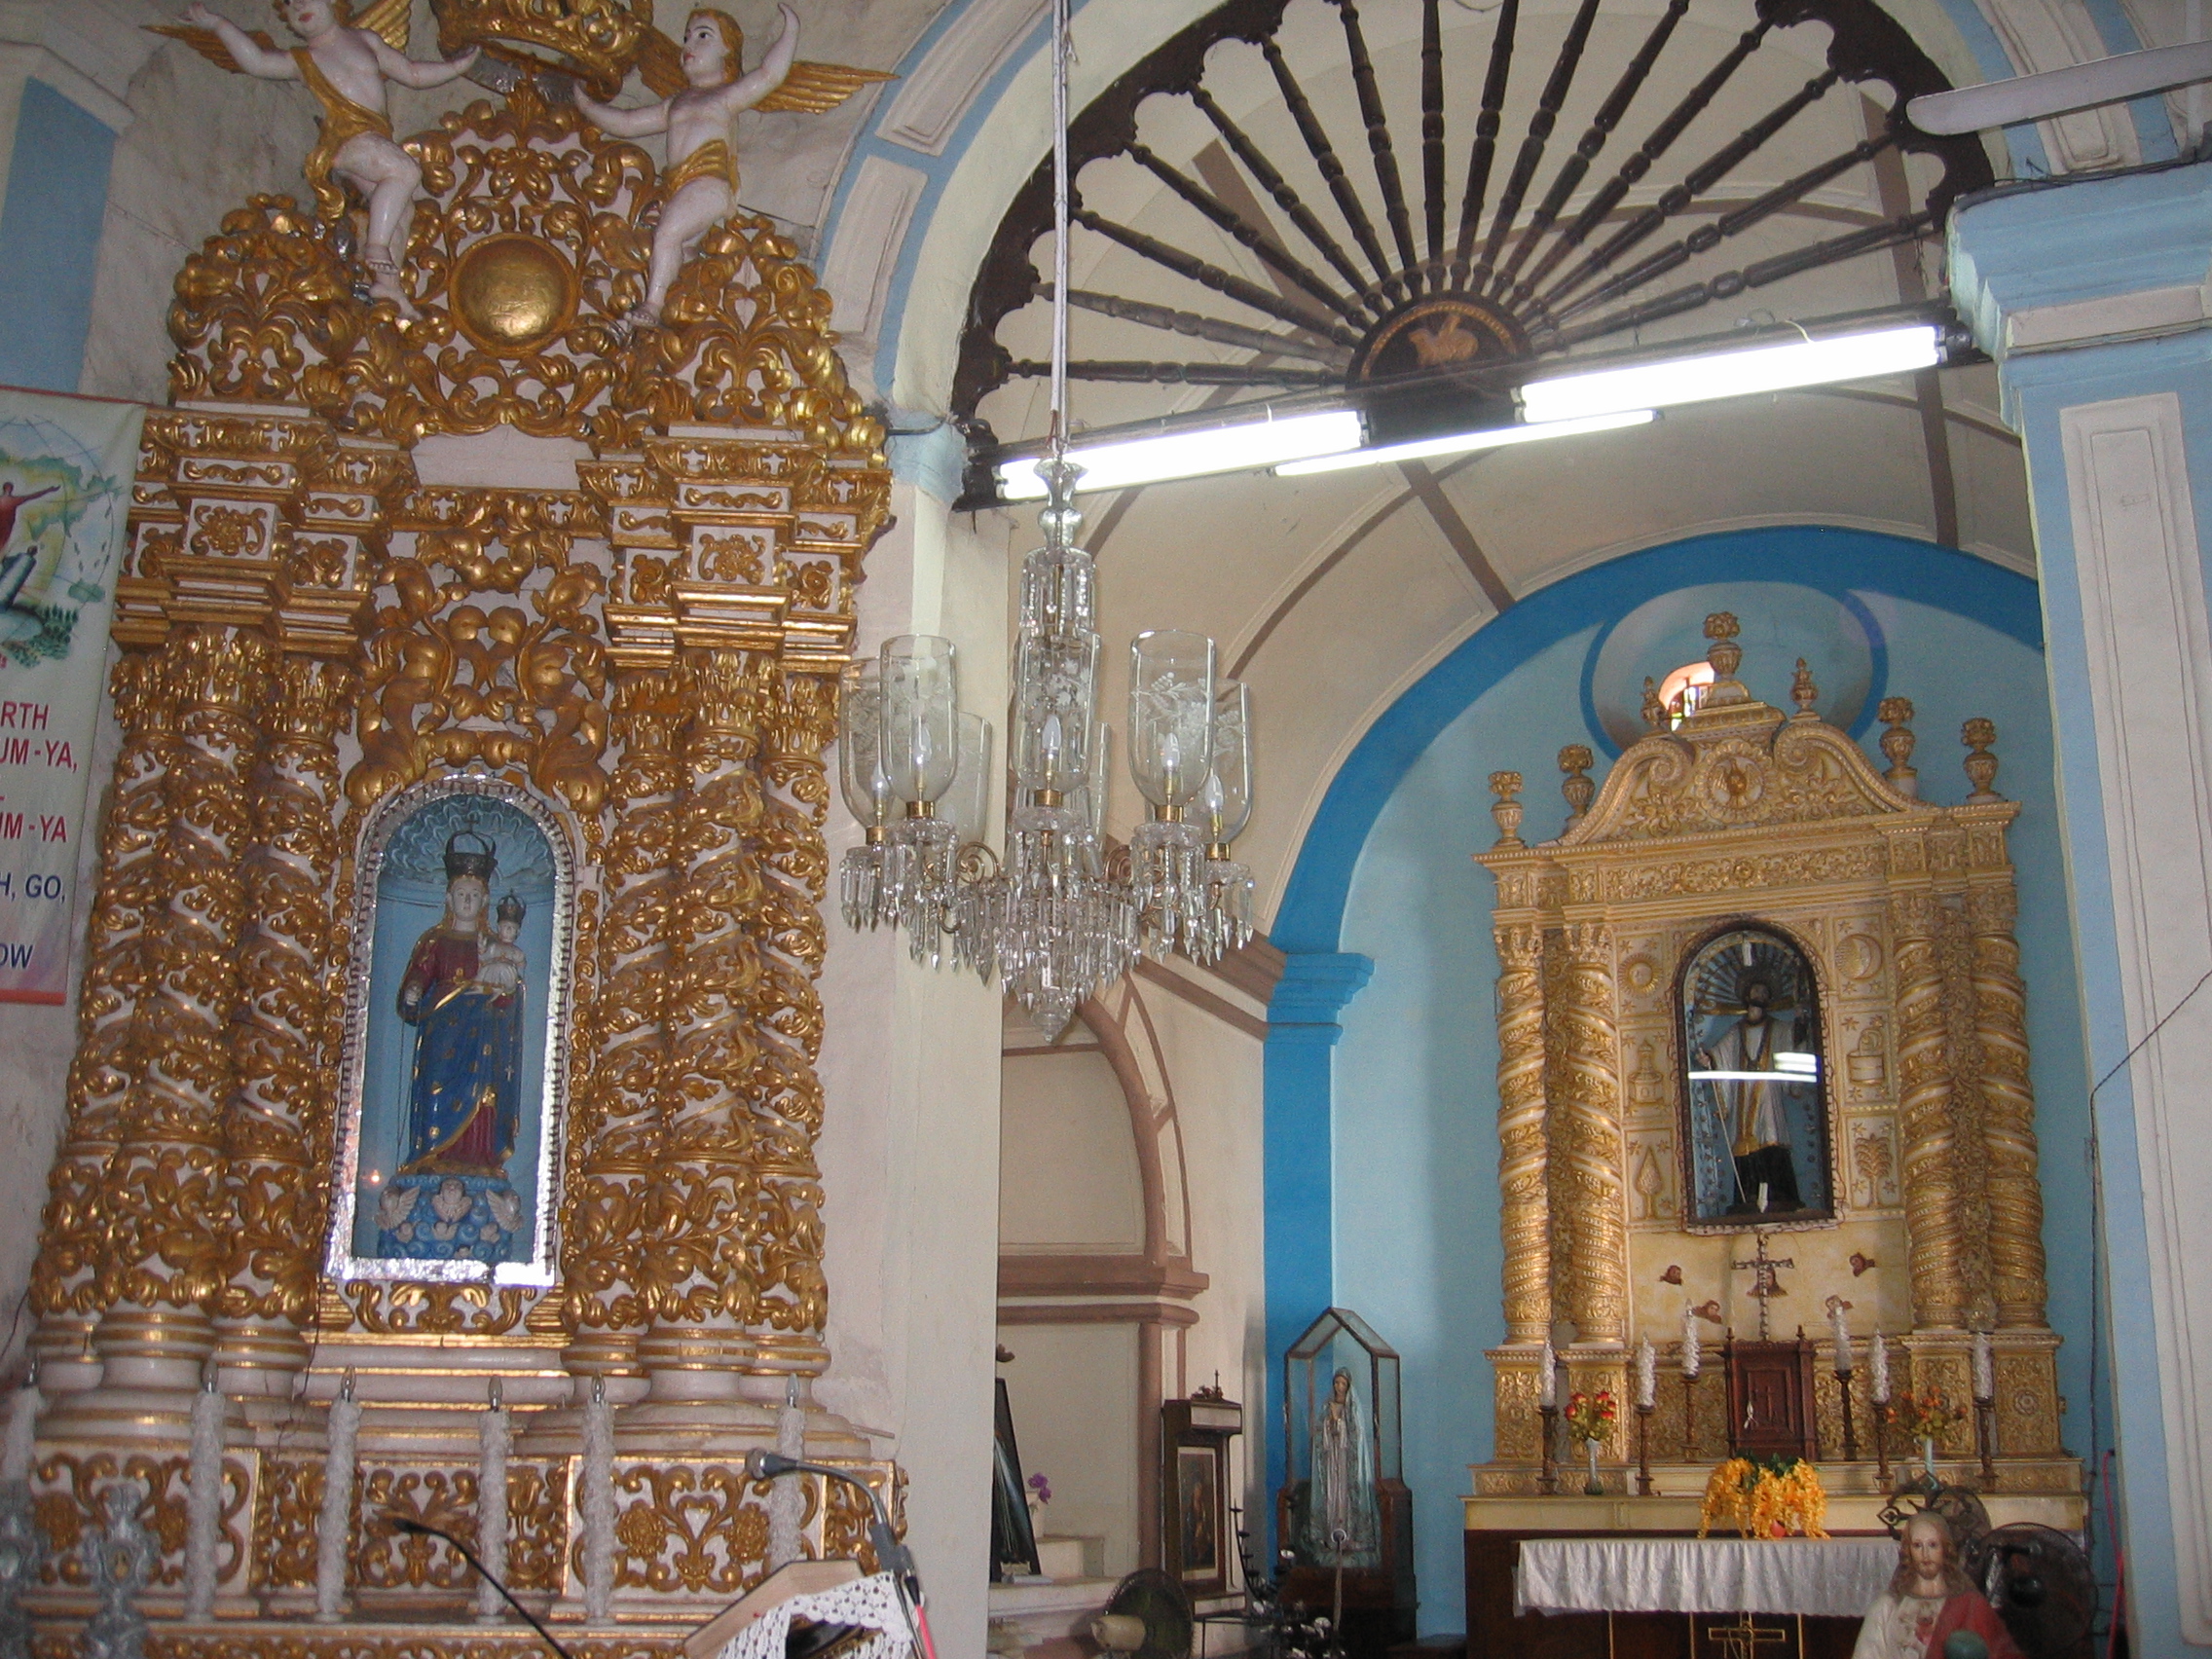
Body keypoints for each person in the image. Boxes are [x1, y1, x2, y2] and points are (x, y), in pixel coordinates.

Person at [177, 0, 478, 310]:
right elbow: (257, 62)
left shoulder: (365, 40)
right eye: (291, 7)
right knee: (406, 171)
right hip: (345, 140)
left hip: (373, 138)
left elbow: (412, 73)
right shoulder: (304, 59)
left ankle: (386, 287)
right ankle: (376, 246)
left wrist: (456, 67)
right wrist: (217, 25)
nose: (299, 8)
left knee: (403, 212)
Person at [574, 7, 800, 327]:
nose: (688, 46)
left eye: (703, 36)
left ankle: (653, 305)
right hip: (679, 188)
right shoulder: (676, 103)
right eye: (687, 38)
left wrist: (790, 31)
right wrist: (586, 106)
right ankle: (683, 296)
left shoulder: (724, 97)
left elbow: (769, 75)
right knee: (682, 253)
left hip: (709, 185)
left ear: (728, 50)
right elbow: (626, 123)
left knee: (666, 234)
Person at [395, 831, 523, 1176]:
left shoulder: (493, 944)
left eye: (474, 896)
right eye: (461, 895)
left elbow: (510, 990)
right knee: (436, 1087)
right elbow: (421, 973)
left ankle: (477, 1158)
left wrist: (503, 991)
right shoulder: (435, 940)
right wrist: (413, 990)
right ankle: (433, 1156)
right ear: (449, 899)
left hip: (480, 1029)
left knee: (483, 1092)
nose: (467, 901)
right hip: (442, 1027)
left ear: (484, 901)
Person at [1698, 975, 1805, 1213]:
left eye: (1765, 993)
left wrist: (1799, 1023)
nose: (1760, 996)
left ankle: (1779, 1193)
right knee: (1745, 1143)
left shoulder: (1777, 1027)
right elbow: (1720, 1054)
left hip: (1768, 1090)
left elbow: (1792, 1040)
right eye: (1756, 991)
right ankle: (1748, 1195)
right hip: (1744, 1093)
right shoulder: (1737, 1031)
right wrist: (1709, 1059)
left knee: (1771, 1134)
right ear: (1747, 996)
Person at [1852, 1511, 2023, 1659]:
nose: (1925, 1554)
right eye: (1917, 1546)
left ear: (1945, 1549)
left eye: (1933, 1545)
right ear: (1908, 1551)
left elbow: (2002, 1652)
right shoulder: (1886, 1607)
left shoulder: (1971, 1604)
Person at [1304, 1367, 1378, 1565]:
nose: (1339, 1386)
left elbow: (1357, 1436)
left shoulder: (1352, 1409)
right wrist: (1330, 1428)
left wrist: (1341, 1427)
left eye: (1342, 1383)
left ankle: (1352, 1536)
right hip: (1331, 1459)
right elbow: (1319, 1435)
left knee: (1346, 1494)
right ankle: (1329, 1535)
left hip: (1346, 1459)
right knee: (1331, 1495)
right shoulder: (1327, 1407)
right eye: (1336, 1382)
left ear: (1348, 1386)